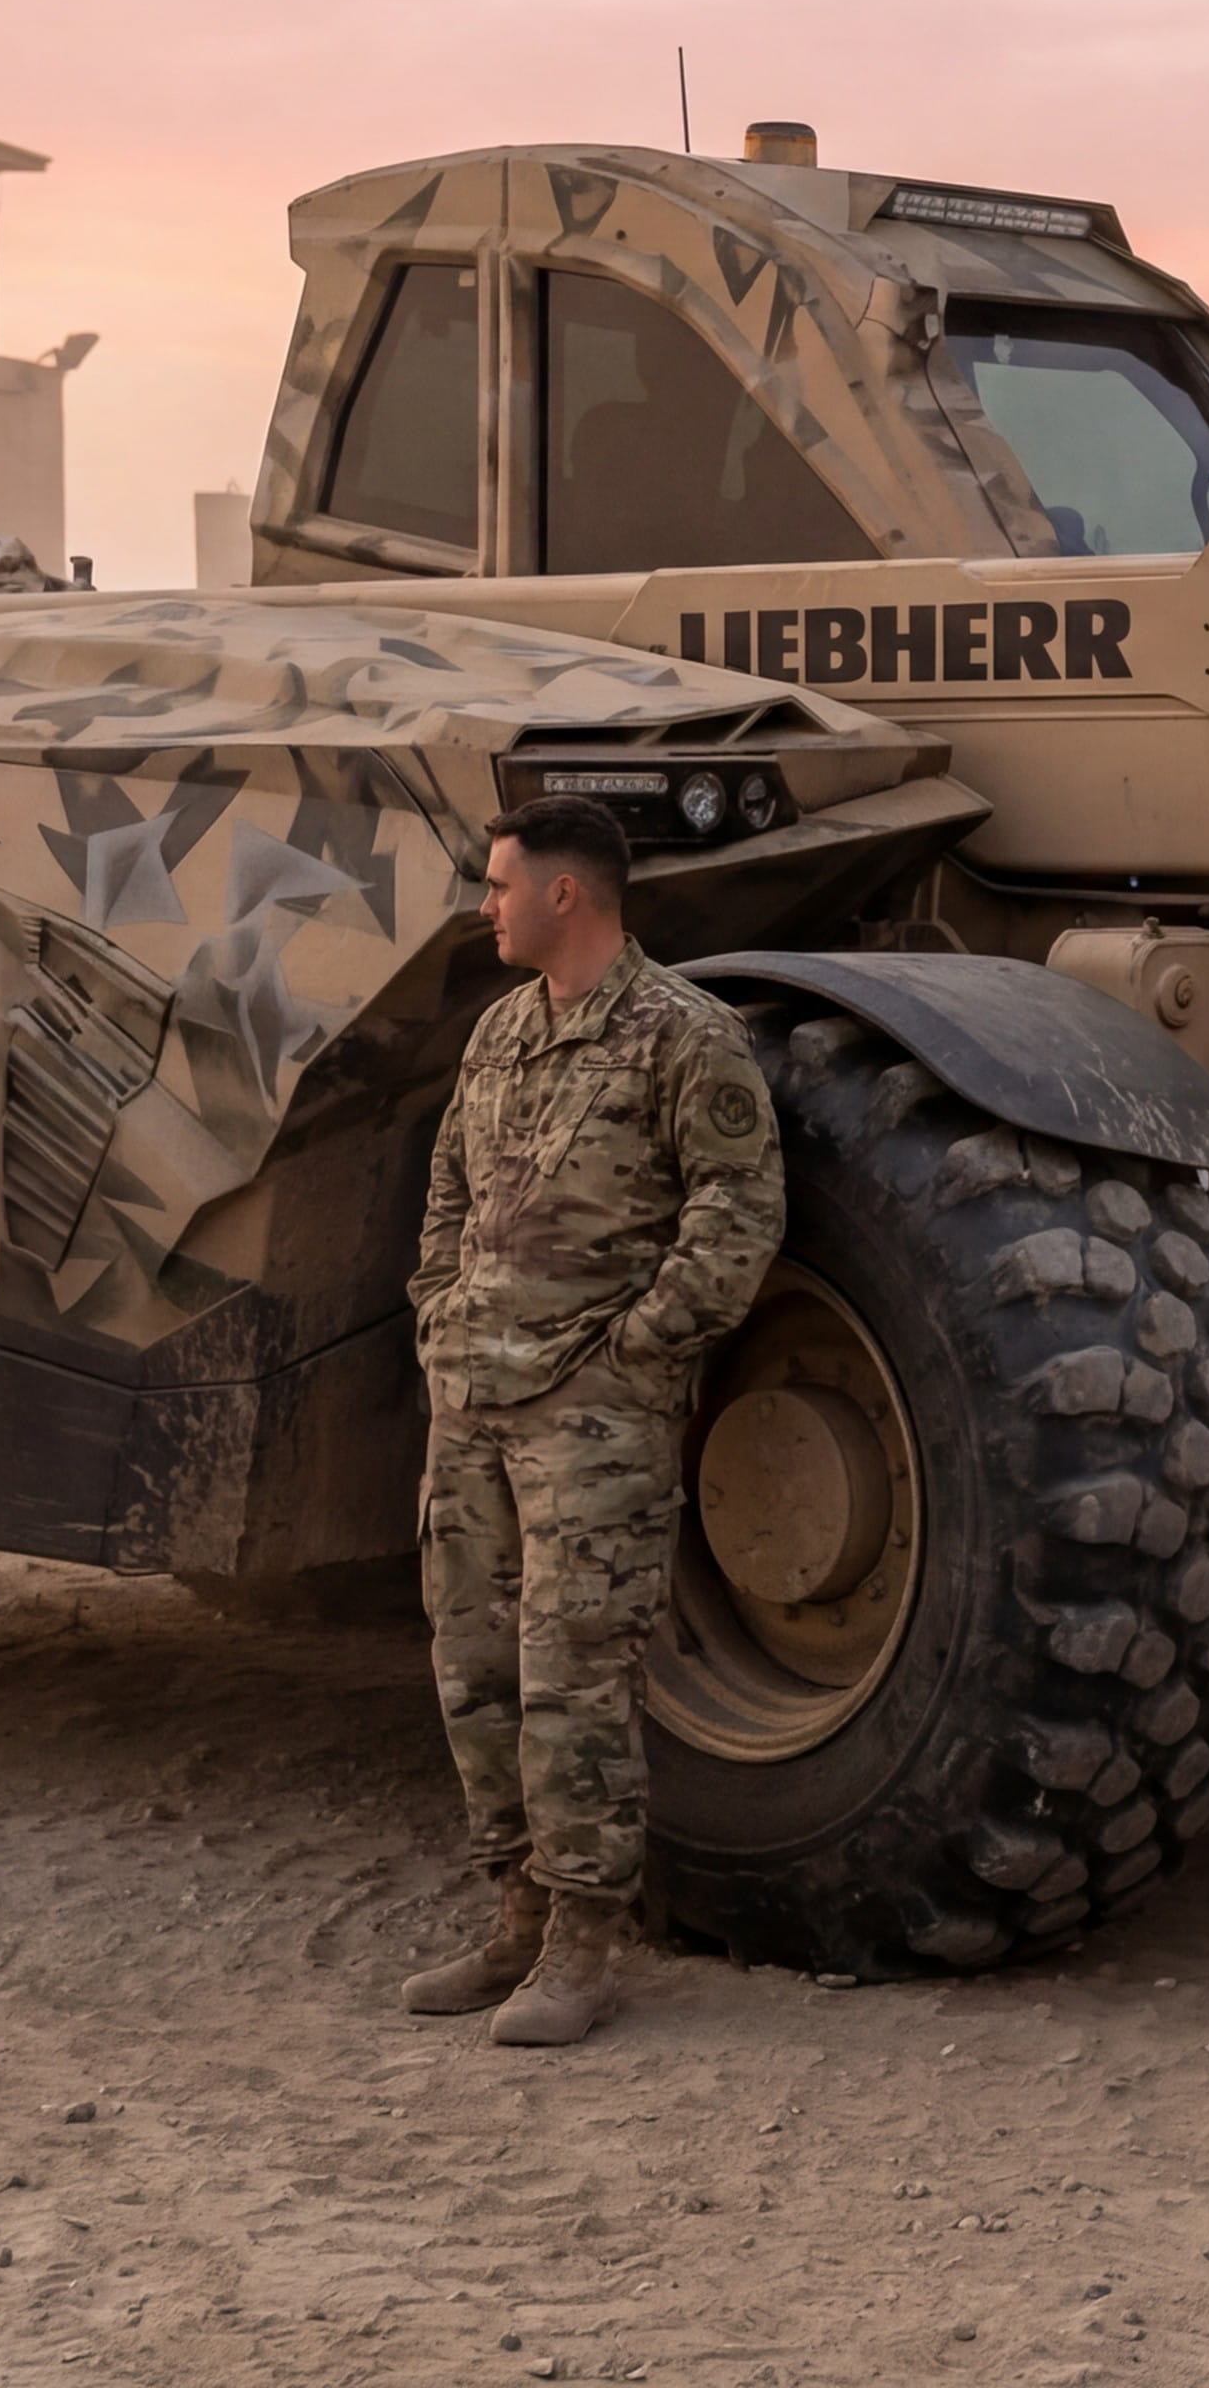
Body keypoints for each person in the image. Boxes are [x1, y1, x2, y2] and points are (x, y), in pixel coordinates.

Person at [394, 796, 784, 2045]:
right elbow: (450, 1187)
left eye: (501, 885)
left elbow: (737, 1217)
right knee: (474, 1668)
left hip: (591, 1419)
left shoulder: (684, 1036)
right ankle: (514, 1913)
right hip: (474, 1402)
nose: (486, 905)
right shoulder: (502, 1030)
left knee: (575, 1678)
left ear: (567, 893)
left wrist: (634, 1356)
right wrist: (438, 1314)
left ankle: (583, 1941)